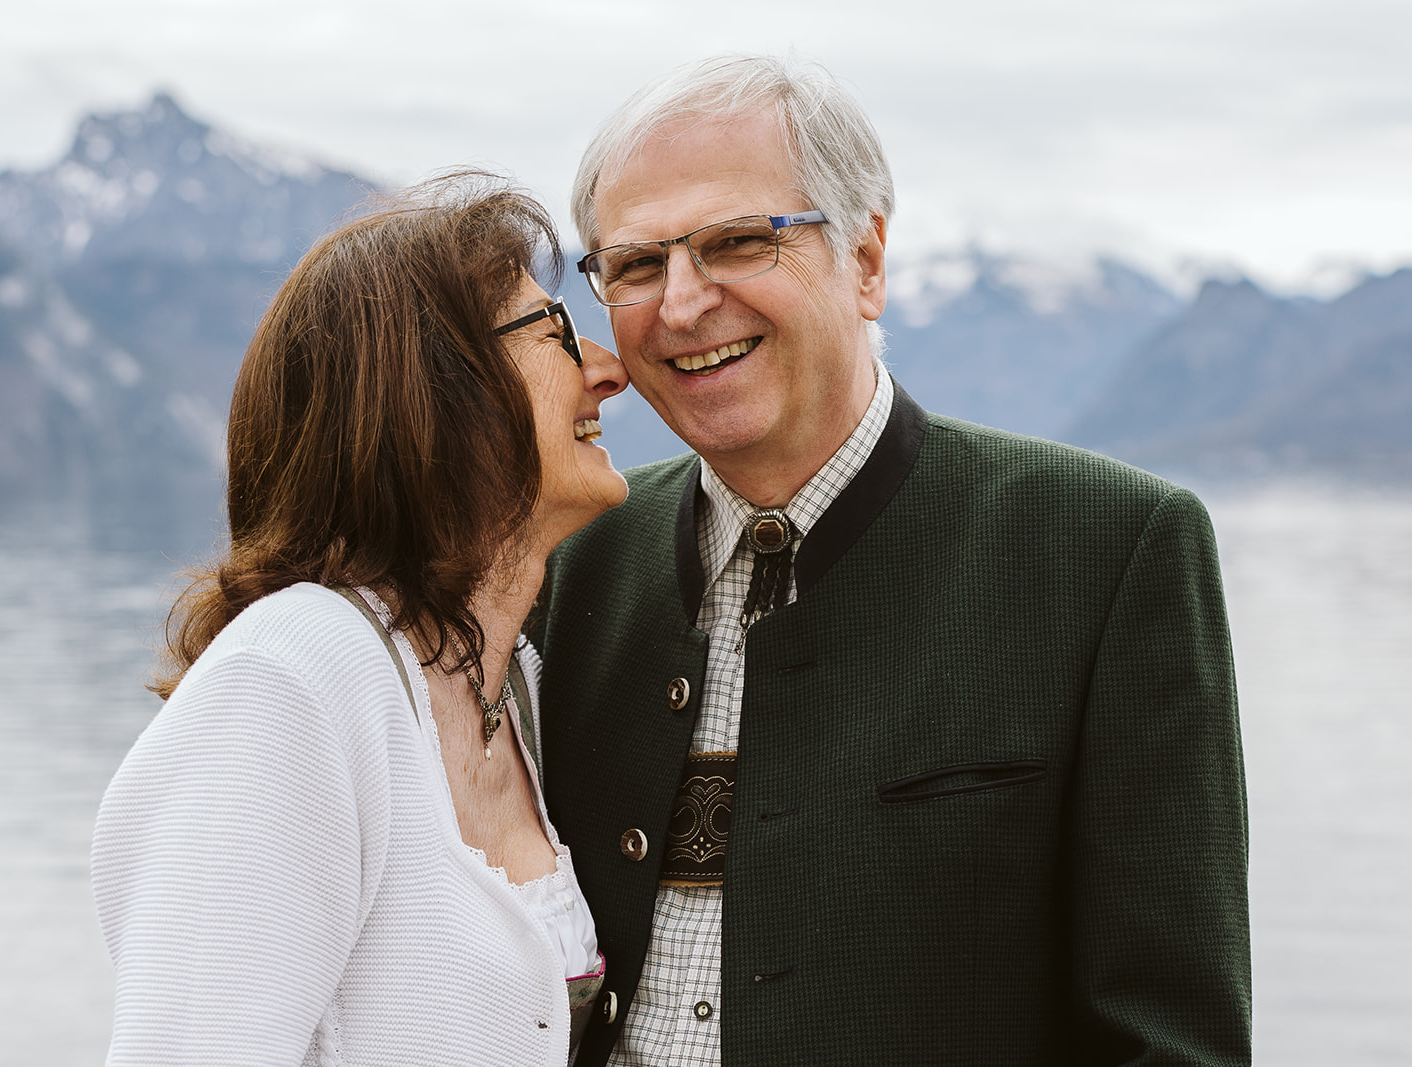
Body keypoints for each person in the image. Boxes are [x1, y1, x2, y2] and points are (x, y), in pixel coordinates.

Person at [533, 56, 1251, 1066]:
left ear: (866, 258)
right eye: (637, 265)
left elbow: (1169, 1039)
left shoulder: (1110, 549)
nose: (681, 305)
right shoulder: (566, 561)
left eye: (736, 242)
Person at [91, 174, 630, 1066]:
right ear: (436, 392)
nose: (608, 369)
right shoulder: (292, 680)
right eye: (557, 333)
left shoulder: (515, 682)